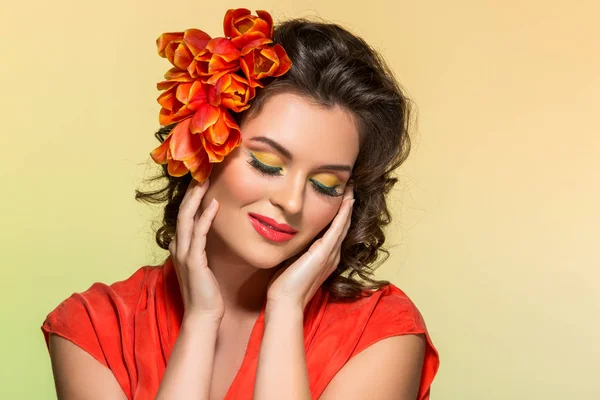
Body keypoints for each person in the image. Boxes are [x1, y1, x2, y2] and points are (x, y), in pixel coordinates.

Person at [41, 8, 440, 400]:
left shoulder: (382, 331)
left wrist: (285, 312)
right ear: (204, 147)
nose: (291, 201)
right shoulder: (93, 328)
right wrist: (200, 321)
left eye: (325, 184)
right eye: (266, 163)